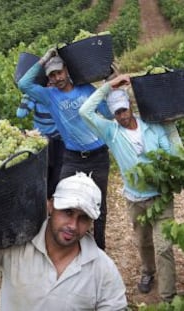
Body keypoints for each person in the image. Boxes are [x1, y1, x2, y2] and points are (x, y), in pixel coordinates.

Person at [0, 170, 128, 310]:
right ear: (50, 206)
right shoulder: (16, 245)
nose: (73, 226)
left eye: (83, 218)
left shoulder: (103, 270)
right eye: (67, 212)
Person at [79, 73, 181, 302]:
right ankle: (148, 272)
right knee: (143, 241)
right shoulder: (111, 132)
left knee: (163, 247)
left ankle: (167, 296)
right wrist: (109, 86)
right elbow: (85, 111)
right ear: (112, 115)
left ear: (130, 107)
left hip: (161, 197)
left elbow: (173, 153)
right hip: (135, 199)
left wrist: (171, 130)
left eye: (124, 110)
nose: (122, 116)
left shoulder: (151, 125)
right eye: (117, 113)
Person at [17, 48, 112, 250]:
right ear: (49, 78)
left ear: (66, 70)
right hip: (72, 157)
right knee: (62, 201)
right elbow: (24, 84)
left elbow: (108, 113)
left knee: (99, 205)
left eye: (59, 72)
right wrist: (44, 59)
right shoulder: (48, 96)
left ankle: (99, 249)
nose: (58, 77)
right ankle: (66, 246)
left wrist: (110, 84)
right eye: (52, 75)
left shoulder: (86, 89)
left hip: (98, 155)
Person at [16, 93, 64, 199]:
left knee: (57, 177)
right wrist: (29, 94)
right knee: (43, 175)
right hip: (43, 141)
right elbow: (20, 113)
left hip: (61, 141)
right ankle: (43, 204)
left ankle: (51, 205)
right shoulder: (36, 93)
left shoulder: (61, 92)